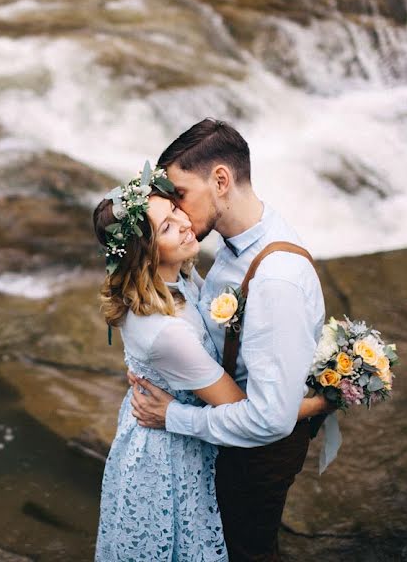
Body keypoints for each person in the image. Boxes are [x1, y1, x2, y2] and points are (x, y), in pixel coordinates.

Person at [92, 162, 326, 562]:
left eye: (175, 209)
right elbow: (242, 407)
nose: (185, 223)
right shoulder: (167, 329)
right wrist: (323, 401)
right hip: (168, 457)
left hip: (175, 431)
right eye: (165, 227)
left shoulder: (178, 277)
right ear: (143, 254)